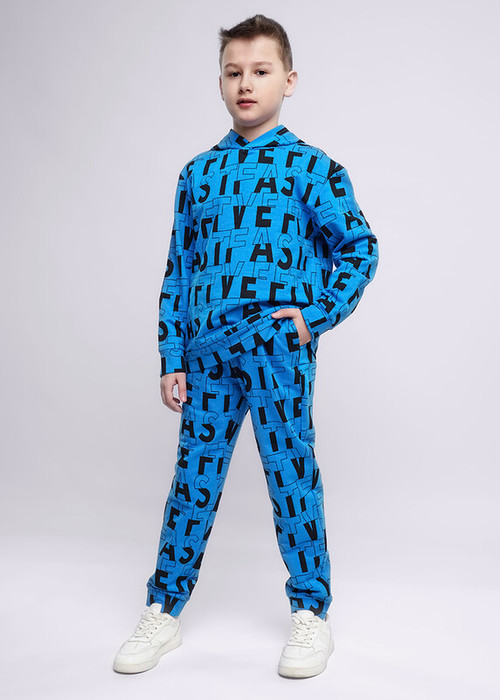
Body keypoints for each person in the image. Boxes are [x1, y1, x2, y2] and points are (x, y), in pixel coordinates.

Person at [113, 13, 379, 679]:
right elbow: (179, 271)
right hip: (207, 352)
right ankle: (163, 609)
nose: (246, 84)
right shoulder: (197, 174)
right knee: (193, 483)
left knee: (292, 475)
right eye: (233, 72)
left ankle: (311, 613)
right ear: (220, 82)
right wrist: (172, 355)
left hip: (276, 349)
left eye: (260, 71)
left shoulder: (313, 168)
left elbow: (359, 248)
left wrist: (312, 317)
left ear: (289, 80)